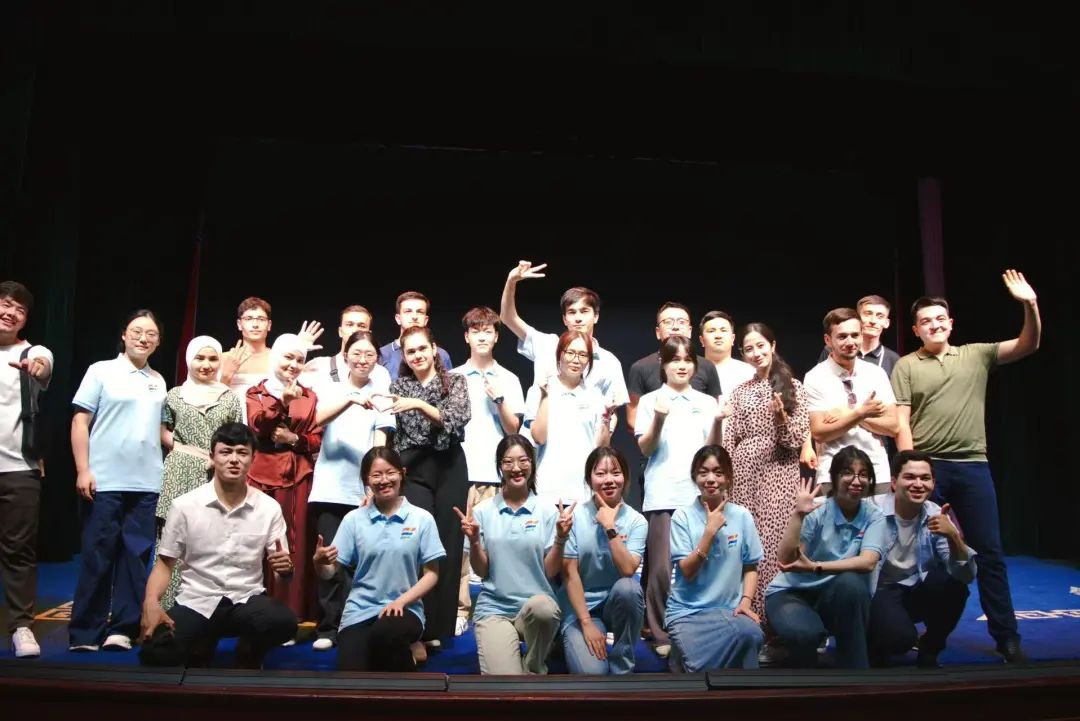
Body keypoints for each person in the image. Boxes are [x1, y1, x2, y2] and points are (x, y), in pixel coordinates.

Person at [891, 269, 1041, 663]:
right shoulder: (906, 365)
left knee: (989, 553)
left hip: (973, 466)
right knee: (922, 554)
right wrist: (910, 470)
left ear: (951, 323)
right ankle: (926, 638)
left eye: (940, 318)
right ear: (916, 329)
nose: (934, 325)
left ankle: (1007, 637)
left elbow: (1029, 344)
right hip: (930, 470)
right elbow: (902, 421)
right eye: (926, 321)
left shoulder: (976, 354)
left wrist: (1030, 304)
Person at [139, 423, 297, 668]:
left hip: (246, 599)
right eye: (226, 452)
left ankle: (249, 650)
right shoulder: (185, 505)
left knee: (282, 622)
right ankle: (203, 643)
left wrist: (285, 570)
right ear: (212, 457)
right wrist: (151, 602)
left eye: (242, 453)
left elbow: (281, 573)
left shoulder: (269, 508)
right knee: (156, 652)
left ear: (253, 458)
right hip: (196, 601)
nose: (234, 459)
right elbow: (164, 565)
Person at [69, 310, 167, 652]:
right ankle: (85, 632)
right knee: (97, 556)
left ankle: (123, 629)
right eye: (137, 331)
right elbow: (80, 422)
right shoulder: (101, 371)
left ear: (158, 341)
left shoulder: (158, 380)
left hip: (146, 483)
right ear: (124, 335)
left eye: (151, 334)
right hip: (105, 480)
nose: (143, 338)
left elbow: (159, 431)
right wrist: (83, 469)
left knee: (135, 558)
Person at [313, 447, 445, 671]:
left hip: (404, 610)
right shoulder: (353, 520)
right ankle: (412, 651)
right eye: (376, 475)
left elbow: (432, 574)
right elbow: (330, 572)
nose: (384, 480)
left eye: (390, 473)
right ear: (366, 480)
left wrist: (401, 601)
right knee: (352, 673)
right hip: (359, 611)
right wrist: (319, 563)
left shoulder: (422, 518)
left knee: (386, 635)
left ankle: (410, 648)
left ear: (402, 473)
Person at [634, 335, 723, 657]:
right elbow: (645, 448)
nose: (681, 366)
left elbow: (714, 450)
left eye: (687, 360)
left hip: (699, 495)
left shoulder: (707, 402)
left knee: (699, 563)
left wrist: (717, 421)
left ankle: (696, 627)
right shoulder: (650, 401)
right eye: (675, 360)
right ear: (663, 363)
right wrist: (659, 417)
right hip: (663, 493)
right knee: (660, 568)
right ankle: (659, 631)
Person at [308, 330, 395, 650]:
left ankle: (358, 624)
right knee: (330, 558)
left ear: (377, 360)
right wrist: (349, 399)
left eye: (369, 355)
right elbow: (315, 421)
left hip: (362, 490)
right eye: (357, 353)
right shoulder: (330, 387)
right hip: (329, 487)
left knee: (364, 561)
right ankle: (328, 628)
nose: (362, 359)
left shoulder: (381, 393)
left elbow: (380, 441)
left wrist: (373, 485)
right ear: (345, 356)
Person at [457, 434, 573, 675]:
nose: (516, 468)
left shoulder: (547, 511)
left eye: (523, 460)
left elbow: (550, 571)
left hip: (535, 607)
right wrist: (475, 541)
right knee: (505, 683)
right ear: (500, 467)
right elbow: (481, 571)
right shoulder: (483, 511)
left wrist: (561, 538)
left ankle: (533, 667)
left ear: (532, 463)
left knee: (544, 609)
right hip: (494, 609)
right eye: (508, 462)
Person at [765, 446, 886, 669]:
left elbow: (868, 561)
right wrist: (798, 515)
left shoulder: (874, 516)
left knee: (852, 584)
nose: (856, 481)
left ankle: (855, 675)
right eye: (847, 473)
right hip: (793, 592)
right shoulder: (818, 511)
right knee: (805, 634)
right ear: (834, 477)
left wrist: (816, 567)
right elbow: (786, 560)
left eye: (863, 474)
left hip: (835, 594)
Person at [389, 325, 471, 643]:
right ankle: (417, 625)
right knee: (417, 542)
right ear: (404, 356)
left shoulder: (456, 381)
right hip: (414, 465)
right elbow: (413, 434)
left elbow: (457, 418)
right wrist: (428, 411)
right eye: (411, 351)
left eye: (422, 348)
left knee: (449, 543)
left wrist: (420, 405)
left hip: (450, 464)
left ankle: (440, 629)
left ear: (434, 349)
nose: (418, 355)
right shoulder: (399, 386)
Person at [722, 323, 809, 619]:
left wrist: (780, 416)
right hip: (743, 474)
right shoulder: (740, 391)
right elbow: (730, 438)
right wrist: (726, 479)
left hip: (779, 472)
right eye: (749, 349)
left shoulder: (793, 387)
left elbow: (795, 440)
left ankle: (776, 623)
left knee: (774, 545)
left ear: (772, 346)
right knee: (746, 543)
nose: (756, 353)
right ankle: (749, 618)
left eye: (761, 346)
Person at [451, 306, 525, 637]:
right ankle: (459, 610)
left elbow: (514, 430)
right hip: (461, 472)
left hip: (498, 475)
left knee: (501, 546)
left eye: (488, 331)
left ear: (496, 336)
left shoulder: (509, 378)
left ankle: (503, 609)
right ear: (467, 337)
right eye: (476, 331)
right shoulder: (452, 377)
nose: (482, 336)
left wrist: (499, 401)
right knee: (460, 548)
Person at [157, 336, 243, 610]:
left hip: (216, 476)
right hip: (179, 472)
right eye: (200, 358)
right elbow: (162, 431)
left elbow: (237, 438)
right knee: (172, 542)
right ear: (189, 360)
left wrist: (219, 458)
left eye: (213, 359)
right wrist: (185, 450)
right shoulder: (174, 395)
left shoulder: (229, 398)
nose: (206, 365)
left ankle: (205, 611)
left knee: (212, 541)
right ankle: (167, 610)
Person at [869, 450, 975, 668]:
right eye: (910, 477)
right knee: (899, 640)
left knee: (955, 587)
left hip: (914, 587)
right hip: (878, 591)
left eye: (925, 478)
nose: (918, 484)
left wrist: (953, 536)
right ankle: (873, 641)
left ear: (933, 484)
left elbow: (965, 575)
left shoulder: (936, 513)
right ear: (894, 482)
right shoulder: (871, 509)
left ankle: (930, 649)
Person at [246, 333, 323, 623]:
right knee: (259, 542)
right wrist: (281, 402)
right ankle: (254, 613)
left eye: (299, 360)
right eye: (288, 357)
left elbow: (316, 439)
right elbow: (257, 426)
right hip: (261, 475)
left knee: (296, 544)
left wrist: (295, 439)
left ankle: (292, 616)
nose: (293, 364)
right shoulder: (257, 392)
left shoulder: (310, 395)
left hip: (298, 476)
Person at [667, 445, 764, 671]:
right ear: (695, 477)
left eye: (718, 473)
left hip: (728, 610)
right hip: (689, 612)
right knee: (702, 670)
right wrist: (709, 532)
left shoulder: (742, 515)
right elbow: (687, 571)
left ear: (728, 478)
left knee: (752, 634)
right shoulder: (682, 517)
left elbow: (750, 566)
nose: (711, 479)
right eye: (703, 472)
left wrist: (746, 602)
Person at [558, 447, 647, 675]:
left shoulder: (637, 521)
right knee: (593, 675)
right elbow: (569, 573)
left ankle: (623, 667)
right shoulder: (574, 518)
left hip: (616, 605)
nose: (609, 480)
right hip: (581, 609)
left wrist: (610, 527)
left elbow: (628, 570)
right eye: (600, 473)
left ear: (625, 477)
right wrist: (586, 623)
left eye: (615, 473)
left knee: (629, 589)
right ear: (589, 479)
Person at [0, 281, 52, 657]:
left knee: (18, 550)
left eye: (19, 309)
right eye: (5, 304)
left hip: (18, 466)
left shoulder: (33, 352)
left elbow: (43, 366)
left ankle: (21, 626)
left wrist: (36, 367)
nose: (11, 312)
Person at [499, 260, 628, 407]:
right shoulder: (547, 344)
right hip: (540, 421)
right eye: (572, 312)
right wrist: (511, 281)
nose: (578, 318)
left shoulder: (609, 362)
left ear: (596, 316)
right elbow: (508, 318)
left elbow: (613, 409)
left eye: (584, 311)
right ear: (565, 319)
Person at [804, 308, 898, 501]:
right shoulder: (815, 377)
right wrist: (863, 413)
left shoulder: (876, 374)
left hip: (876, 470)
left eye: (855, 335)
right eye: (842, 336)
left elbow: (892, 426)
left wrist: (850, 413)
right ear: (828, 340)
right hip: (833, 471)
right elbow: (820, 432)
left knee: (878, 521)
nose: (850, 342)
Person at [525, 331, 614, 505]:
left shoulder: (595, 395)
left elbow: (601, 449)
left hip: (583, 492)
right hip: (547, 490)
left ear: (589, 360)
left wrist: (606, 418)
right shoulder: (539, 389)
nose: (576, 360)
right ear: (560, 354)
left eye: (582, 355)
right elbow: (538, 438)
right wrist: (545, 397)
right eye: (570, 352)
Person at [625, 302, 721, 433]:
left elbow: (716, 414)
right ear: (658, 332)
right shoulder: (640, 367)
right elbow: (633, 419)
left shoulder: (707, 366)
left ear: (690, 330)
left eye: (681, 322)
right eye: (668, 322)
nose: (675, 327)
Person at [303, 304, 391, 390]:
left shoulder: (380, 373)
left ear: (369, 334)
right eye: (349, 324)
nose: (355, 330)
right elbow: (296, 391)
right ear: (340, 331)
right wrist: (300, 348)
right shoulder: (320, 365)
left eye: (361, 326)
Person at [816, 295, 901, 377]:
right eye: (868, 314)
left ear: (886, 323)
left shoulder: (893, 359)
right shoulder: (832, 350)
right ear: (857, 318)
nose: (873, 321)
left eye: (880, 316)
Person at [378, 292, 453, 381]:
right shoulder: (382, 355)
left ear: (426, 320)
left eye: (420, 312)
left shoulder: (441, 354)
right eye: (408, 311)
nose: (414, 317)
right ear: (398, 319)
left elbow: (448, 385)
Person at [220, 297, 274, 410]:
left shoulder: (279, 358)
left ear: (269, 325)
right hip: (232, 419)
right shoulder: (225, 358)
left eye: (261, 319)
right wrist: (226, 377)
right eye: (248, 319)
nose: (255, 324)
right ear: (239, 324)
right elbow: (210, 400)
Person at [699, 311, 756, 410]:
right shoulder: (691, 370)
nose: (718, 335)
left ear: (733, 339)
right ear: (702, 340)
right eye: (711, 331)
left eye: (723, 330)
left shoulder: (749, 372)